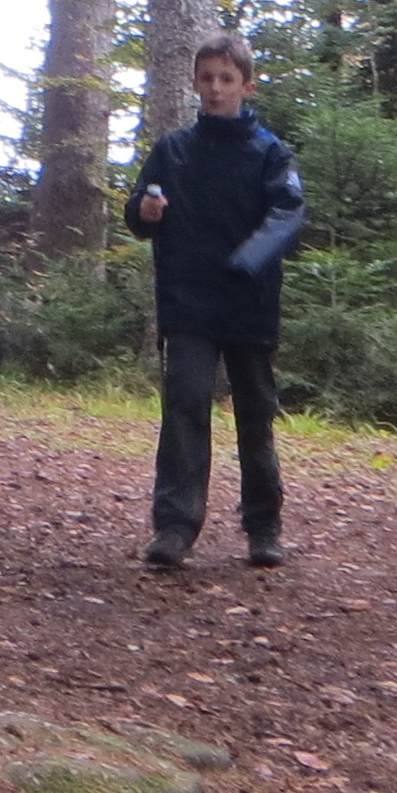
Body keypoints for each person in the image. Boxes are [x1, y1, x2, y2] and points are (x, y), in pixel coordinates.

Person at [124, 31, 308, 571]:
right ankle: (175, 526)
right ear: (194, 83)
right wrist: (144, 212)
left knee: (255, 412)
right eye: (207, 78)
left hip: (249, 301)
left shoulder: (270, 152)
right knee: (185, 405)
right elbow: (140, 211)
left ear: (247, 86)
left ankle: (264, 527)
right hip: (188, 300)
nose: (215, 88)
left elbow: (288, 213)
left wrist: (249, 260)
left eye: (226, 79)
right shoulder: (172, 151)